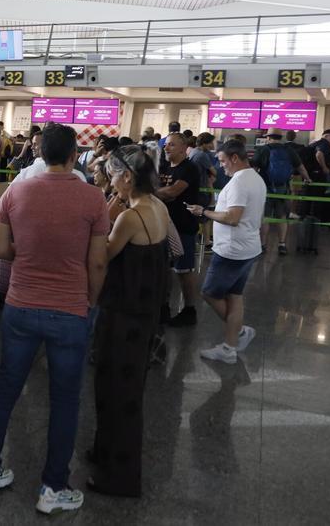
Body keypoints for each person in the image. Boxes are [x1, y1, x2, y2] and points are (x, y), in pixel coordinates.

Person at [0, 124, 108, 515]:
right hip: (69, 310)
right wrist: (89, 300)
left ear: (39, 153)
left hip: (20, 306)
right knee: (65, 399)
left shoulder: (16, 191)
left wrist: (31, 252)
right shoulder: (93, 198)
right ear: (73, 156)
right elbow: (97, 261)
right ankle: (52, 488)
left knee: (4, 389)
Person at [87, 146, 170, 497]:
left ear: (127, 177)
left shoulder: (130, 217)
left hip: (123, 314)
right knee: (128, 390)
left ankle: (118, 476)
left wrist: (102, 218)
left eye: (112, 175)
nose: (110, 183)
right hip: (145, 312)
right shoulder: (158, 207)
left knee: (115, 392)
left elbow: (103, 255)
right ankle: (105, 452)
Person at [186, 140, 265, 365]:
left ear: (234, 158)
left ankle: (237, 333)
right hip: (248, 246)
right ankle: (230, 347)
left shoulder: (240, 182)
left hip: (232, 250)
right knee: (234, 296)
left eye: (222, 161)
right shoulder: (256, 179)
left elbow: (232, 217)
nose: (220, 166)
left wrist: (204, 212)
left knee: (209, 293)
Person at [156, 133, 203, 327]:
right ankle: (163, 306)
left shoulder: (190, 168)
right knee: (164, 268)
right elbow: (163, 191)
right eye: (166, 145)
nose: (167, 148)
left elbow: (173, 191)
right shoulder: (163, 166)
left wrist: (151, 193)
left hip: (183, 225)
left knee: (184, 269)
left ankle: (189, 309)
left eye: (172, 145)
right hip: (162, 225)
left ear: (184, 148)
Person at [254, 128, 310, 255]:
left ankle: (262, 245)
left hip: (266, 188)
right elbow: (300, 167)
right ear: (281, 138)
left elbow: (254, 168)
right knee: (282, 217)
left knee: (266, 217)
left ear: (268, 137)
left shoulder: (263, 149)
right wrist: (307, 178)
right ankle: (282, 244)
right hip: (283, 188)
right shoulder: (289, 150)